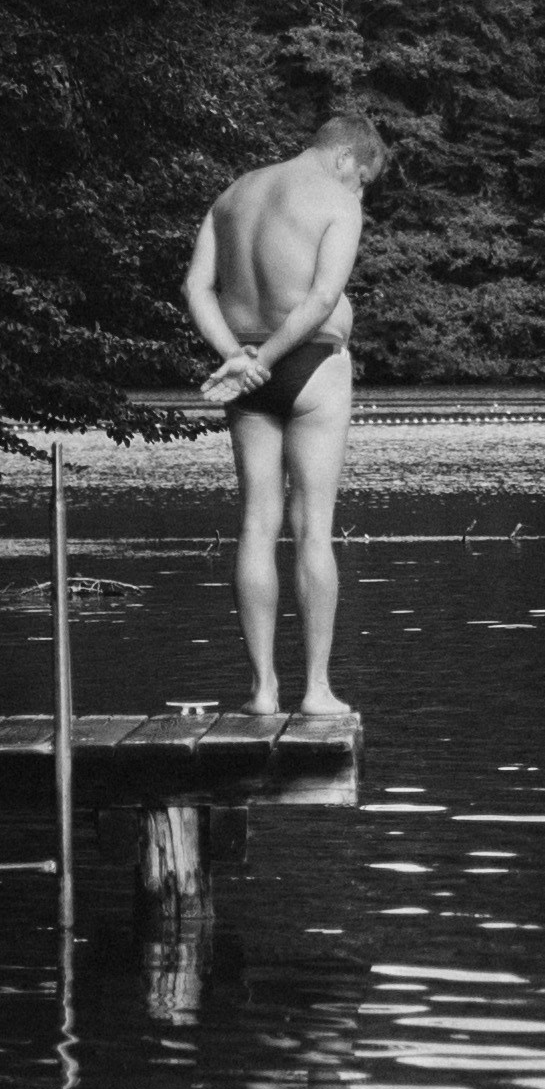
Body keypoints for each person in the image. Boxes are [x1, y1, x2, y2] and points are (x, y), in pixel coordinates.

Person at [182, 106, 386, 725]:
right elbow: (323, 296)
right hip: (310, 364)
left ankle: (263, 690)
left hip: (245, 367)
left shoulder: (233, 194)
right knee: (313, 527)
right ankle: (316, 689)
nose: (361, 191)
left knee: (256, 525)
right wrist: (269, 358)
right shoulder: (336, 199)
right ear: (349, 157)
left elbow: (196, 287)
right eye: (365, 179)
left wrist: (237, 360)